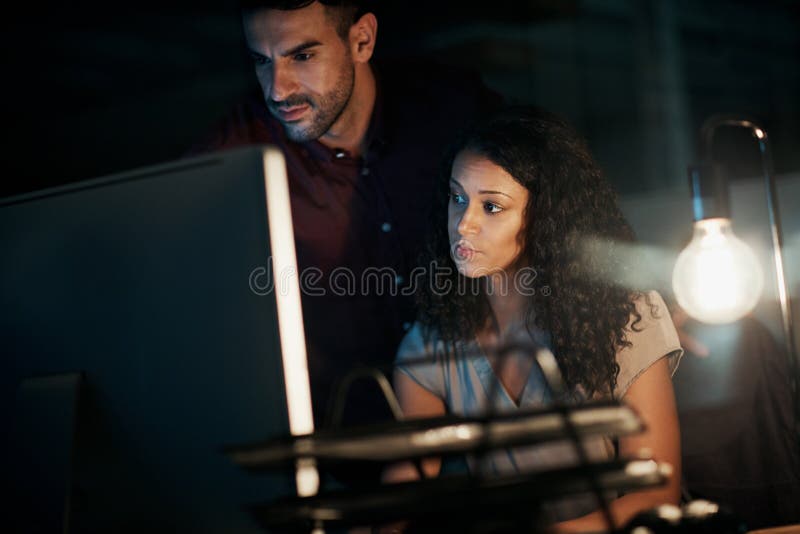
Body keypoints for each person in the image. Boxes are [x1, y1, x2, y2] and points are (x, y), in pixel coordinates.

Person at [187, 0, 502, 432]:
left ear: (361, 40)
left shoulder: (454, 111)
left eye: (302, 55)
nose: (277, 89)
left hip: (483, 432)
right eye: (262, 61)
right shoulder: (230, 161)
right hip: (340, 451)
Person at [386, 106, 683, 532]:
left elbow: (655, 495)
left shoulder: (627, 318)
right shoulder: (431, 340)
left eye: (491, 207)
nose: (464, 224)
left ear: (545, 221)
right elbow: (406, 485)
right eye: (457, 198)